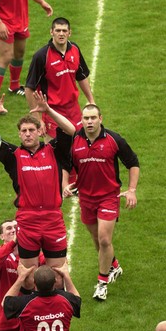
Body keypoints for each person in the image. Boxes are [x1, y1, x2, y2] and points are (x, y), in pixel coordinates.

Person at [0, 90, 75, 289]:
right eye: (23, 131)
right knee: (28, 279)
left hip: (53, 220)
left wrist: (48, 110)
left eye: (31, 130)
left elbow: (71, 130)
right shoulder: (13, 156)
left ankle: (55, 313)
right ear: (19, 134)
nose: (27, 134)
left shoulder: (54, 151)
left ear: (40, 130)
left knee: (58, 278)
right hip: (28, 221)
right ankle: (32, 315)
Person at [63, 104, 140, 301]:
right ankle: (114, 266)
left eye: (93, 118)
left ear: (100, 118)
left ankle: (102, 283)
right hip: (86, 198)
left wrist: (131, 190)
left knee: (105, 239)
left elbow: (132, 163)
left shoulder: (114, 139)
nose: (89, 122)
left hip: (108, 197)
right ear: (81, 120)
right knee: (98, 240)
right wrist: (64, 184)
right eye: (86, 118)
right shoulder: (75, 140)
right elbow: (66, 165)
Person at [25, 17, 95, 143]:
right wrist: (38, 120)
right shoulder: (41, 56)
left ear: (69, 32)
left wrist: (91, 100)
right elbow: (29, 89)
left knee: (80, 146)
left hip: (74, 109)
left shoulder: (75, 49)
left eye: (64, 30)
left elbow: (82, 76)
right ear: (51, 32)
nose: (61, 34)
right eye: (58, 30)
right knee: (55, 153)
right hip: (52, 112)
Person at [0, 219, 45, 331]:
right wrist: (13, 242)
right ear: (1, 236)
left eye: (16, 227)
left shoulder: (33, 255)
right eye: (9, 228)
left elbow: (49, 264)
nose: (14, 230)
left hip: (28, 321)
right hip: (5, 323)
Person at [3, 262, 81, 331]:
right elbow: (77, 298)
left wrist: (21, 277)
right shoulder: (67, 300)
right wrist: (66, 275)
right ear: (55, 281)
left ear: (34, 282)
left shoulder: (25, 304)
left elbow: (4, 303)